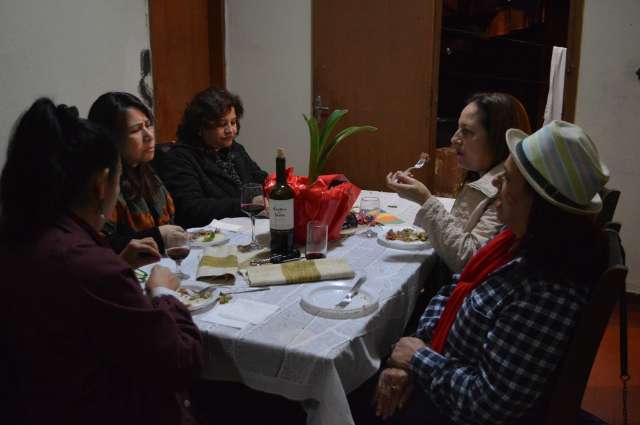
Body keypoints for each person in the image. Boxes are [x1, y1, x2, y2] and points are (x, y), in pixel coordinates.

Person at [364, 121, 609, 425]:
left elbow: (487, 403)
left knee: (347, 393)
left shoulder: (547, 289)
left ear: (538, 204)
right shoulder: (514, 239)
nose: (496, 186)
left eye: (506, 180)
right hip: (440, 368)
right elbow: (454, 287)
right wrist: (414, 351)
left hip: (454, 408)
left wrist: (418, 360)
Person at [0, 98, 203, 425]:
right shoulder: (89, 266)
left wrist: (119, 263)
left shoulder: (23, 236)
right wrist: (164, 293)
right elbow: (181, 361)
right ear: (100, 184)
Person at [386, 92, 532, 274]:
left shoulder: (508, 191)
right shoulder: (479, 175)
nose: (454, 139)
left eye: (467, 131)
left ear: (497, 138)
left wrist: (425, 199)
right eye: (458, 129)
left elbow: (470, 260)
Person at [155, 87, 268, 228]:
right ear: (200, 128)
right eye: (222, 124)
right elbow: (192, 209)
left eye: (233, 122)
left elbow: (259, 179)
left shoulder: (234, 148)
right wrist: (246, 204)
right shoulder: (179, 158)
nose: (230, 130)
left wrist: (278, 187)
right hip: (209, 236)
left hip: (245, 226)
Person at [88, 92, 183, 254]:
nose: (149, 136)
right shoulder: (104, 181)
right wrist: (158, 236)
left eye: (148, 124)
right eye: (136, 130)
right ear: (112, 138)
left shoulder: (146, 168)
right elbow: (101, 244)